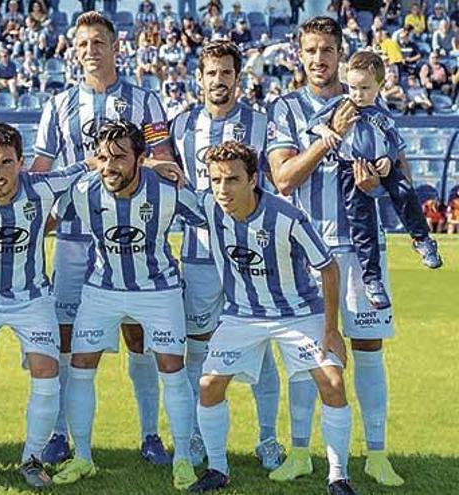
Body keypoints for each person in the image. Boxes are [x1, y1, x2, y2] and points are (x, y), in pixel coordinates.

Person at [32, 11, 181, 467]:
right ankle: (61, 433)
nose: (91, 50)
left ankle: (151, 434)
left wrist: (130, 167)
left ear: (116, 48)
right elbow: (41, 174)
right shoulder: (57, 106)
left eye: (100, 42)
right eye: (83, 44)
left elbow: (166, 163)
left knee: (139, 338)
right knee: (66, 339)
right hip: (77, 239)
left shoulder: (145, 101)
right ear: (73, 52)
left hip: (135, 237)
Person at [267, 16, 405, 487]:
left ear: (341, 55)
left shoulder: (371, 104)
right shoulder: (285, 109)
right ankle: (301, 452)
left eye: (328, 50)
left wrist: (378, 182)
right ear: (299, 55)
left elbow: (398, 178)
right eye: (311, 50)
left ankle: (378, 454)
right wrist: (329, 138)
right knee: (307, 354)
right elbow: (283, 179)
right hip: (306, 252)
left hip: (363, 251)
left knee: (368, 350)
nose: (319, 59)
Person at [187, 140, 355, 495]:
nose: (222, 189)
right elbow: (169, 195)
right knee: (208, 386)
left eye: (231, 179)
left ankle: (338, 477)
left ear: (253, 180)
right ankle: (218, 469)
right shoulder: (208, 205)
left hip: (298, 313)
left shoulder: (287, 217)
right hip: (241, 314)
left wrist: (331, 329)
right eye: (216, 180)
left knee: (333, 383)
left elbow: (327, 268)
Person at [0, 124, 93, 488]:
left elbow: (88, 165)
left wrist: (152, 164)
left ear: (22, 163)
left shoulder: (41, 187)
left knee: (46, 370)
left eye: (7, 162)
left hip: (32, 299)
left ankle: (32, 459)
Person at [52, 120, 202, 489]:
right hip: (102, 288)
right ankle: (82, 457)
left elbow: (213, 218)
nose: (109, 167)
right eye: (102, 157)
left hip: (158, 290)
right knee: (81, 364)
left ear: (141, 157)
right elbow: (44, 218)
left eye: (119, 157)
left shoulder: (169, 190)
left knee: (171, 368)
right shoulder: (84, 189)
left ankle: (182, 458)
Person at [169, 41, 285, 471]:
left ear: (239, 77)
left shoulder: (261, 124)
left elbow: (275, 184)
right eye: (210, 73)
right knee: (197, 348)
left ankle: (268, 440)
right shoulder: (181, 126)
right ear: (199, 78)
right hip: (199, 257)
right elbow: (172, 186)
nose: (218, 81)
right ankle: (199, 434)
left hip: (250, 257)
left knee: (262, 347)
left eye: (225, 73)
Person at [308, 51, 442, 309]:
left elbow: (394, 141)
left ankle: (422, 238)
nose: (358, 94)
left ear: (379, 86)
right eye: (354, 87)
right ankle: (372, 280)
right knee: (363, 224)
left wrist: (389, 159)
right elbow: (315, 123)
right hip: (352, 168)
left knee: (404, 192)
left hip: (383, 166)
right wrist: (326, 131)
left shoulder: (383, 110)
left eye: (365, 88)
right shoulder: (342, 104)